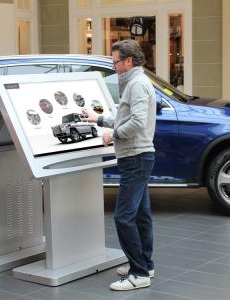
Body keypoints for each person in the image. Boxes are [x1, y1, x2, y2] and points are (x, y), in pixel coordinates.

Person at [82, 39, 156, 291]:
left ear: (128, 61)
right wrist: (99, 119)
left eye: (114, 61)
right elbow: (127, 117)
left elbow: (136, 122)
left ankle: (139, 273)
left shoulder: (136, 85)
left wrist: (113, 135)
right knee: (141, 215)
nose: (113, 66)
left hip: (135, 158)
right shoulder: (135, 82)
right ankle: (145, 263)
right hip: (138, 156)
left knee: (124, 217)